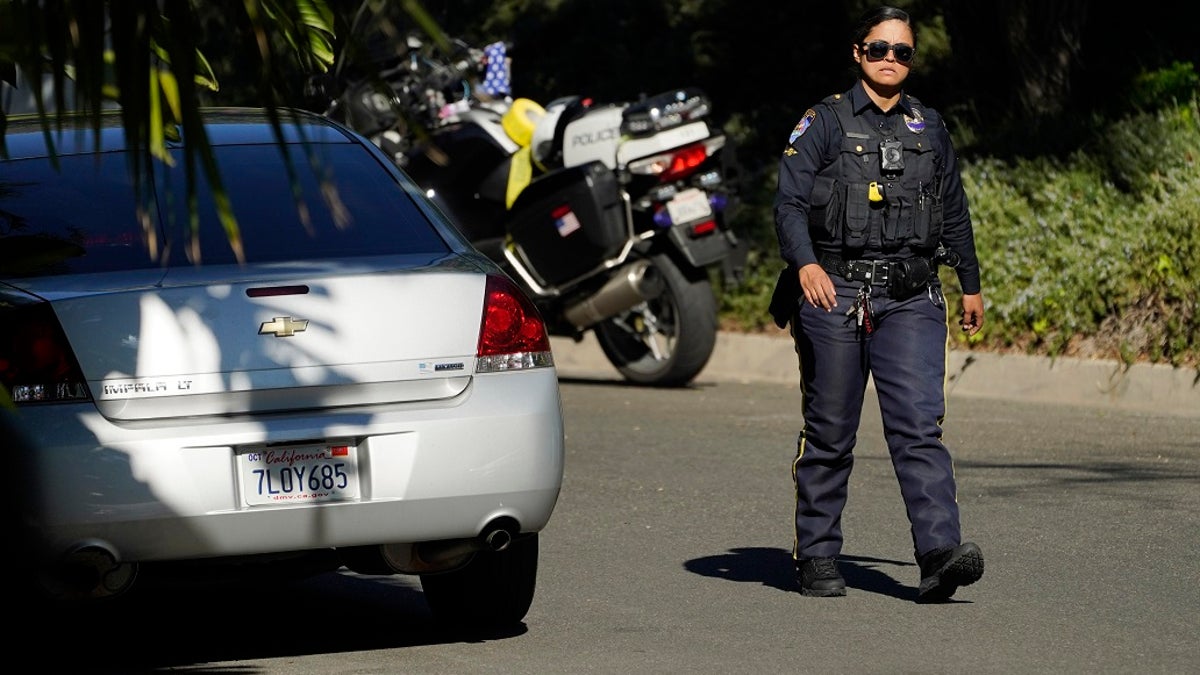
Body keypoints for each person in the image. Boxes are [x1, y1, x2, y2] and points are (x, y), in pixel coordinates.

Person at [770, 5, 985, 602]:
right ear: (858, 53)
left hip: (912, 296)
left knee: (919, 426)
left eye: (902, 51)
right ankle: (816, 554)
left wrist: (970, 281)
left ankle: (939, 554)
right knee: (832, 432)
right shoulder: (824, 122)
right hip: (833, 290)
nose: (891, 59)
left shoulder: (930, 128)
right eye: (879, 48)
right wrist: (806, 264)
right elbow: (788, 205)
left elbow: (954, 210)